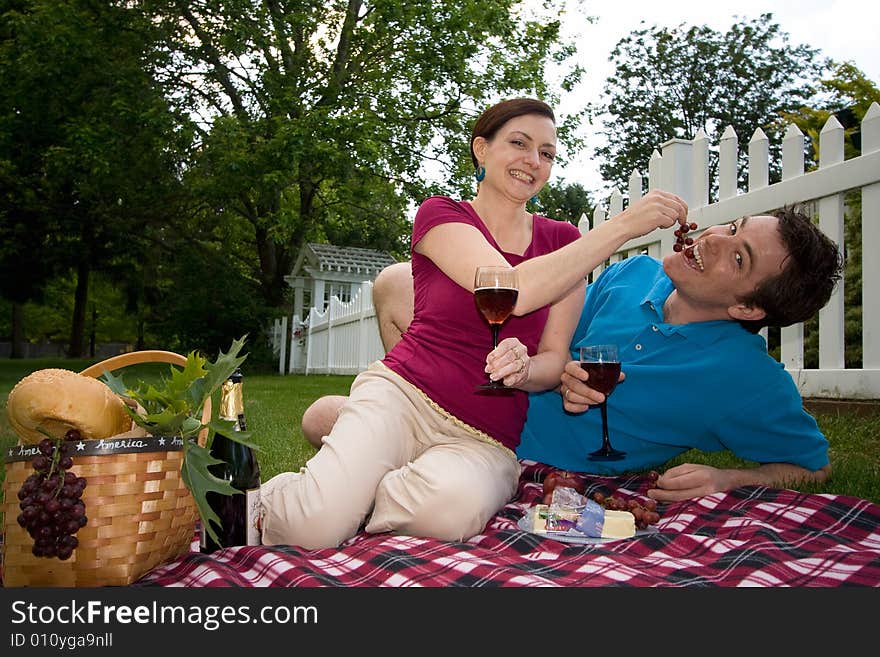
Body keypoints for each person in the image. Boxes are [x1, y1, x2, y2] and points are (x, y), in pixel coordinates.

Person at [260, 97, 687, 549]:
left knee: (446, 513)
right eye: (519, 143)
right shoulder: (442, 215)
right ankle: (286, 503)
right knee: (310, 530)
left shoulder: (562, 242)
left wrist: (524, 369)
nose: (533, 161)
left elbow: (552, 363)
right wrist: (621, 227)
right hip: (404, 396)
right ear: (481, 150)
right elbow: (510, 288)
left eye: (547, 153)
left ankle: (354, 491)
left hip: (486, 436)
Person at [302, 206, 843, 503]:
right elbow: (548, 340)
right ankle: (415, 415)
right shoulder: (635, 275)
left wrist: (729, 480)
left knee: (323, 418)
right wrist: (553, 368)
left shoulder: (748, 380)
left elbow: (815, 468)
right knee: (396, 282)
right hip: (496, 400)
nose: (715, 238)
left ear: (750, 309)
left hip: (529, 458)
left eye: (739, 256)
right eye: (734, 226)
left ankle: (409, 463)